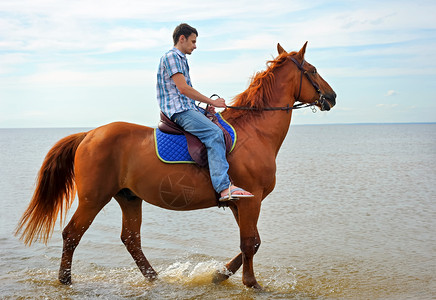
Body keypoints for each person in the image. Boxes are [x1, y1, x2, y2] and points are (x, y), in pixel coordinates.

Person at [156, 23, 254, 201]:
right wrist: (212, 101)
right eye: (193, 41)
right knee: (214, 133)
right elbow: (183, 89)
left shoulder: (181, 59)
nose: (195, 46)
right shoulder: (172, 57)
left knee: (217, 119)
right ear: (182, 38)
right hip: (179, 110)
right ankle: (224, 187)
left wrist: (203, 108)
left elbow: (185, 94)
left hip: (186, 106)